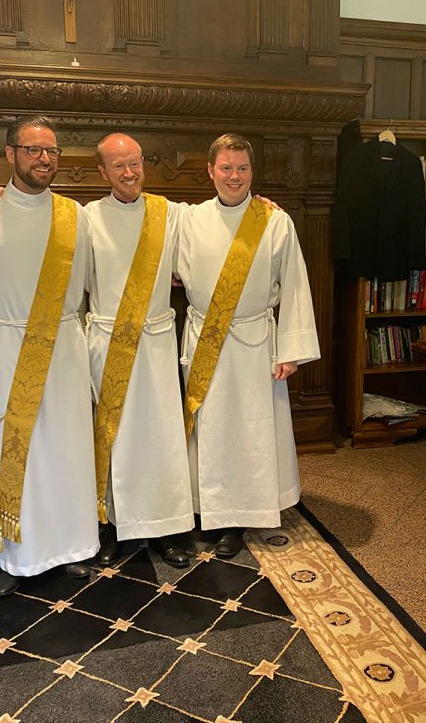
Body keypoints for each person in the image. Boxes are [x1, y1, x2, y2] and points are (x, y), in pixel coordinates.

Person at [0, 115, 98, 595]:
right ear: (10, 154)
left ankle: (70, 547)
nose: (44, 158)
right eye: (34, 149)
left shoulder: (74, 215)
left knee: (66, 448)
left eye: (52, 151)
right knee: (17, 446)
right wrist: (8, 310)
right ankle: (12, 552)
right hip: (8, 346)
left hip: (64, 347)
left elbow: (90, 278)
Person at [175, 133, 319, 557]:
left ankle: (240, 516)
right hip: (205, 340)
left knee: (249, 429)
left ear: (252, 172)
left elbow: (294, 283)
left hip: (255, 342)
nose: (233, 176)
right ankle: (206, 509)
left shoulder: (274, 221)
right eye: (225, 168)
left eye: (241, 168)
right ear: (210, 171)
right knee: (210, 427)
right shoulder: (187, 219)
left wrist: (290, 350)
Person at [85, 132, 194, 568]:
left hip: (154, 344)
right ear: (102, 171)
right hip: (108, 342)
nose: (129, 173)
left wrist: (262, 206)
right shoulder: (86, 217)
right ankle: (109, 524)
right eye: (118, 166)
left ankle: (165, 526)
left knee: (159, 437)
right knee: (113, 436)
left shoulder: (168, 213)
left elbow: (219, 224)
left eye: (135, 163)